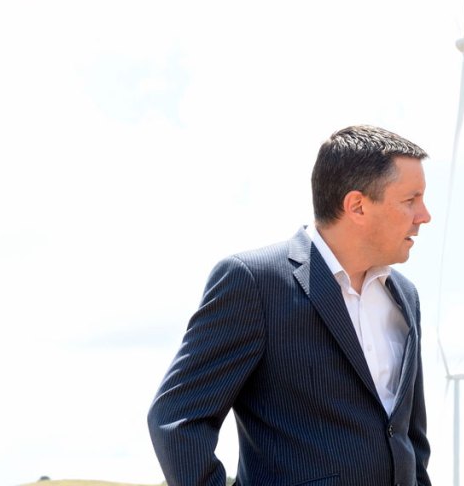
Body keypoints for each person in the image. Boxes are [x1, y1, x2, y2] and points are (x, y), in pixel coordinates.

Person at [147, 125, 433, 486]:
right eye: (411, 200)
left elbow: (410, 440)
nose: (424, 215)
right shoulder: (254, 282)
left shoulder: (405, 297)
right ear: (357, 206)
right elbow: (177, 418)